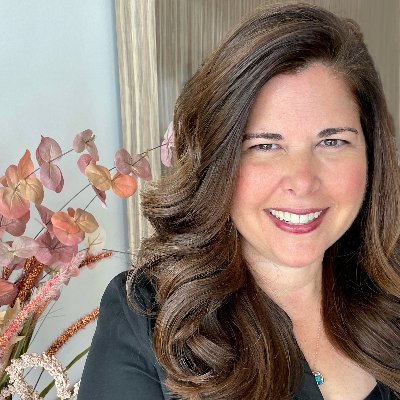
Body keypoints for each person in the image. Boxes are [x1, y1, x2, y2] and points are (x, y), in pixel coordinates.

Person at [78, 3, 400, 399]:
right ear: (217, 160)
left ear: (372, 152)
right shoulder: (147, 320)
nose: (302, 181)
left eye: (332, 141)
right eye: (264, 146)